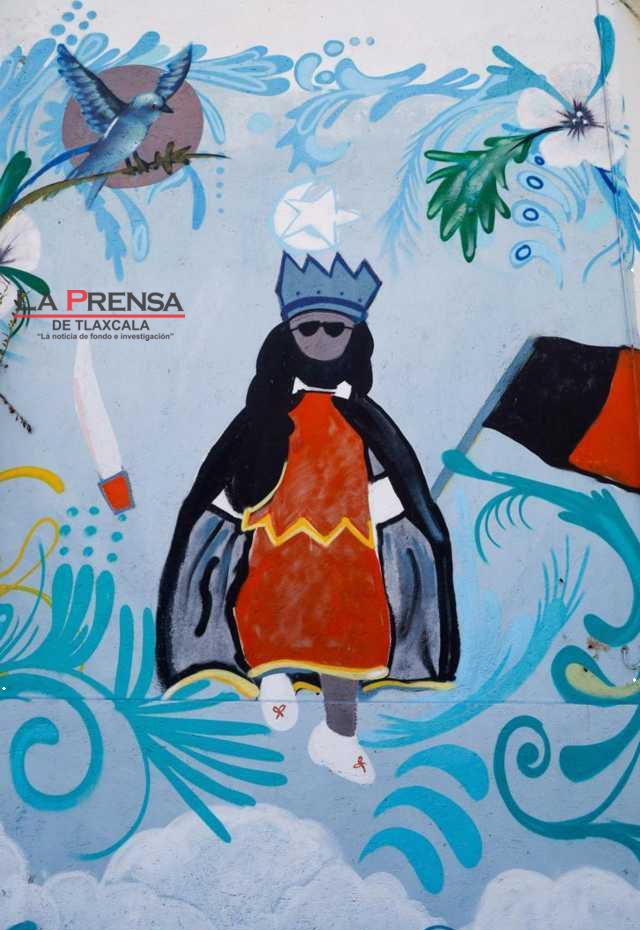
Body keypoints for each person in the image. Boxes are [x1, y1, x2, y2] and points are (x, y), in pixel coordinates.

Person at [156, 252, 460, 784]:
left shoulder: (365, 419)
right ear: (288, 336)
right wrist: (217, 518)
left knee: (350, 635)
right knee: (273, 610)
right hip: (279, 547)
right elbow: (229, 483)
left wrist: (406, 516)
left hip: (350, 554)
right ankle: (272, 675)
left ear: (355, 338)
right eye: (309, 328)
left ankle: (339, 737)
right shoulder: (265, 417)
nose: (321, 338)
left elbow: (395, 484)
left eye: (335, 329)